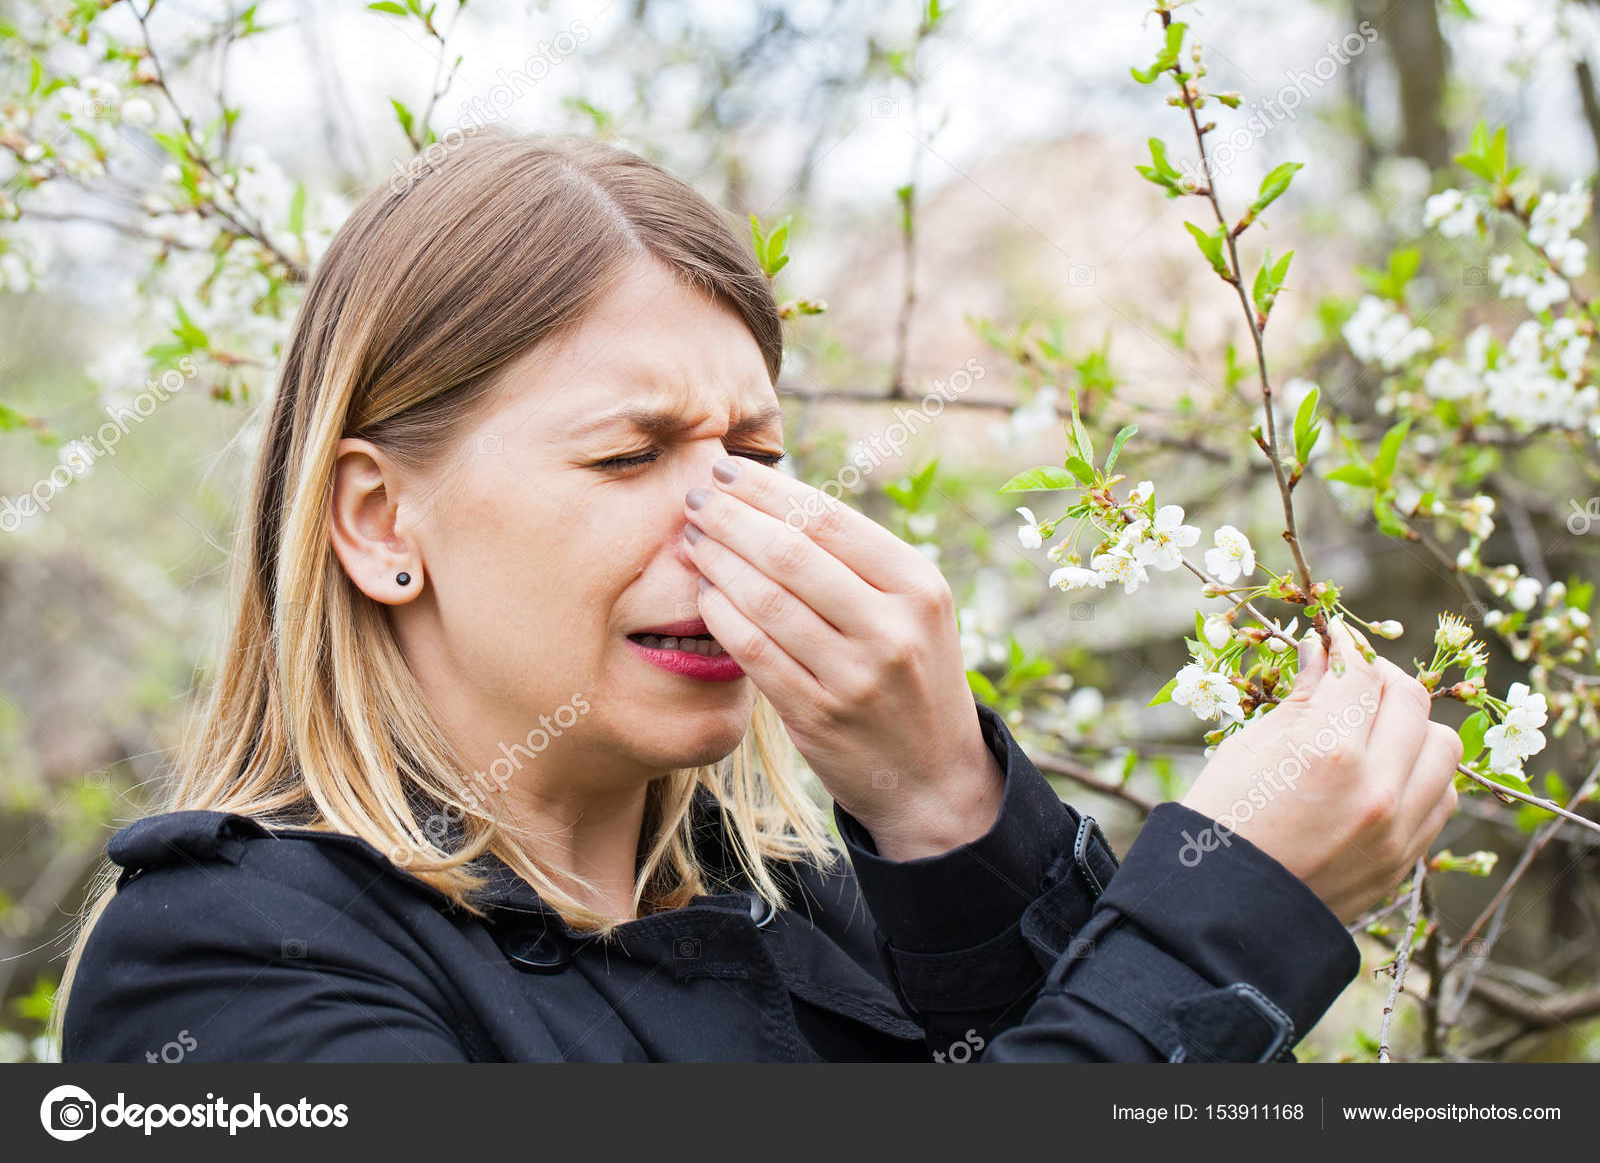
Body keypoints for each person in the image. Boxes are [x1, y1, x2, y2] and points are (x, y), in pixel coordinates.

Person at [54, 130, 1460, 1063]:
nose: (735, 517)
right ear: (378, 520)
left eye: (761, 456)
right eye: (631, 453)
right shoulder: (230, 965)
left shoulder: (814, 907)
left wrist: (947, 810)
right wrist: (1224, 917)